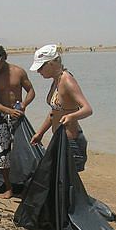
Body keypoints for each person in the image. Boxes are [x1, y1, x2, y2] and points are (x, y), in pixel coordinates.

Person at [28, 44, 93, 172]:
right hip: (59, 139)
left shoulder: (67, 80)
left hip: (71, 142)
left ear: (51, 63)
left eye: (41, 67)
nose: (38, 71)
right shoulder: (56, 80)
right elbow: (54, 112)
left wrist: (71, 116)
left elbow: (87, 109)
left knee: (66, 184)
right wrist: (40, 133)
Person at [0, 44, 36, 198]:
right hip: (1, 118)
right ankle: (8, 187)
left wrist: (24, 105)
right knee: (2, 153)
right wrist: (8, 111)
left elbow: (31, 91)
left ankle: (27, 184)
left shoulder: (18, 72)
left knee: (24, 151)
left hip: (18, 117)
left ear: (4, 57)